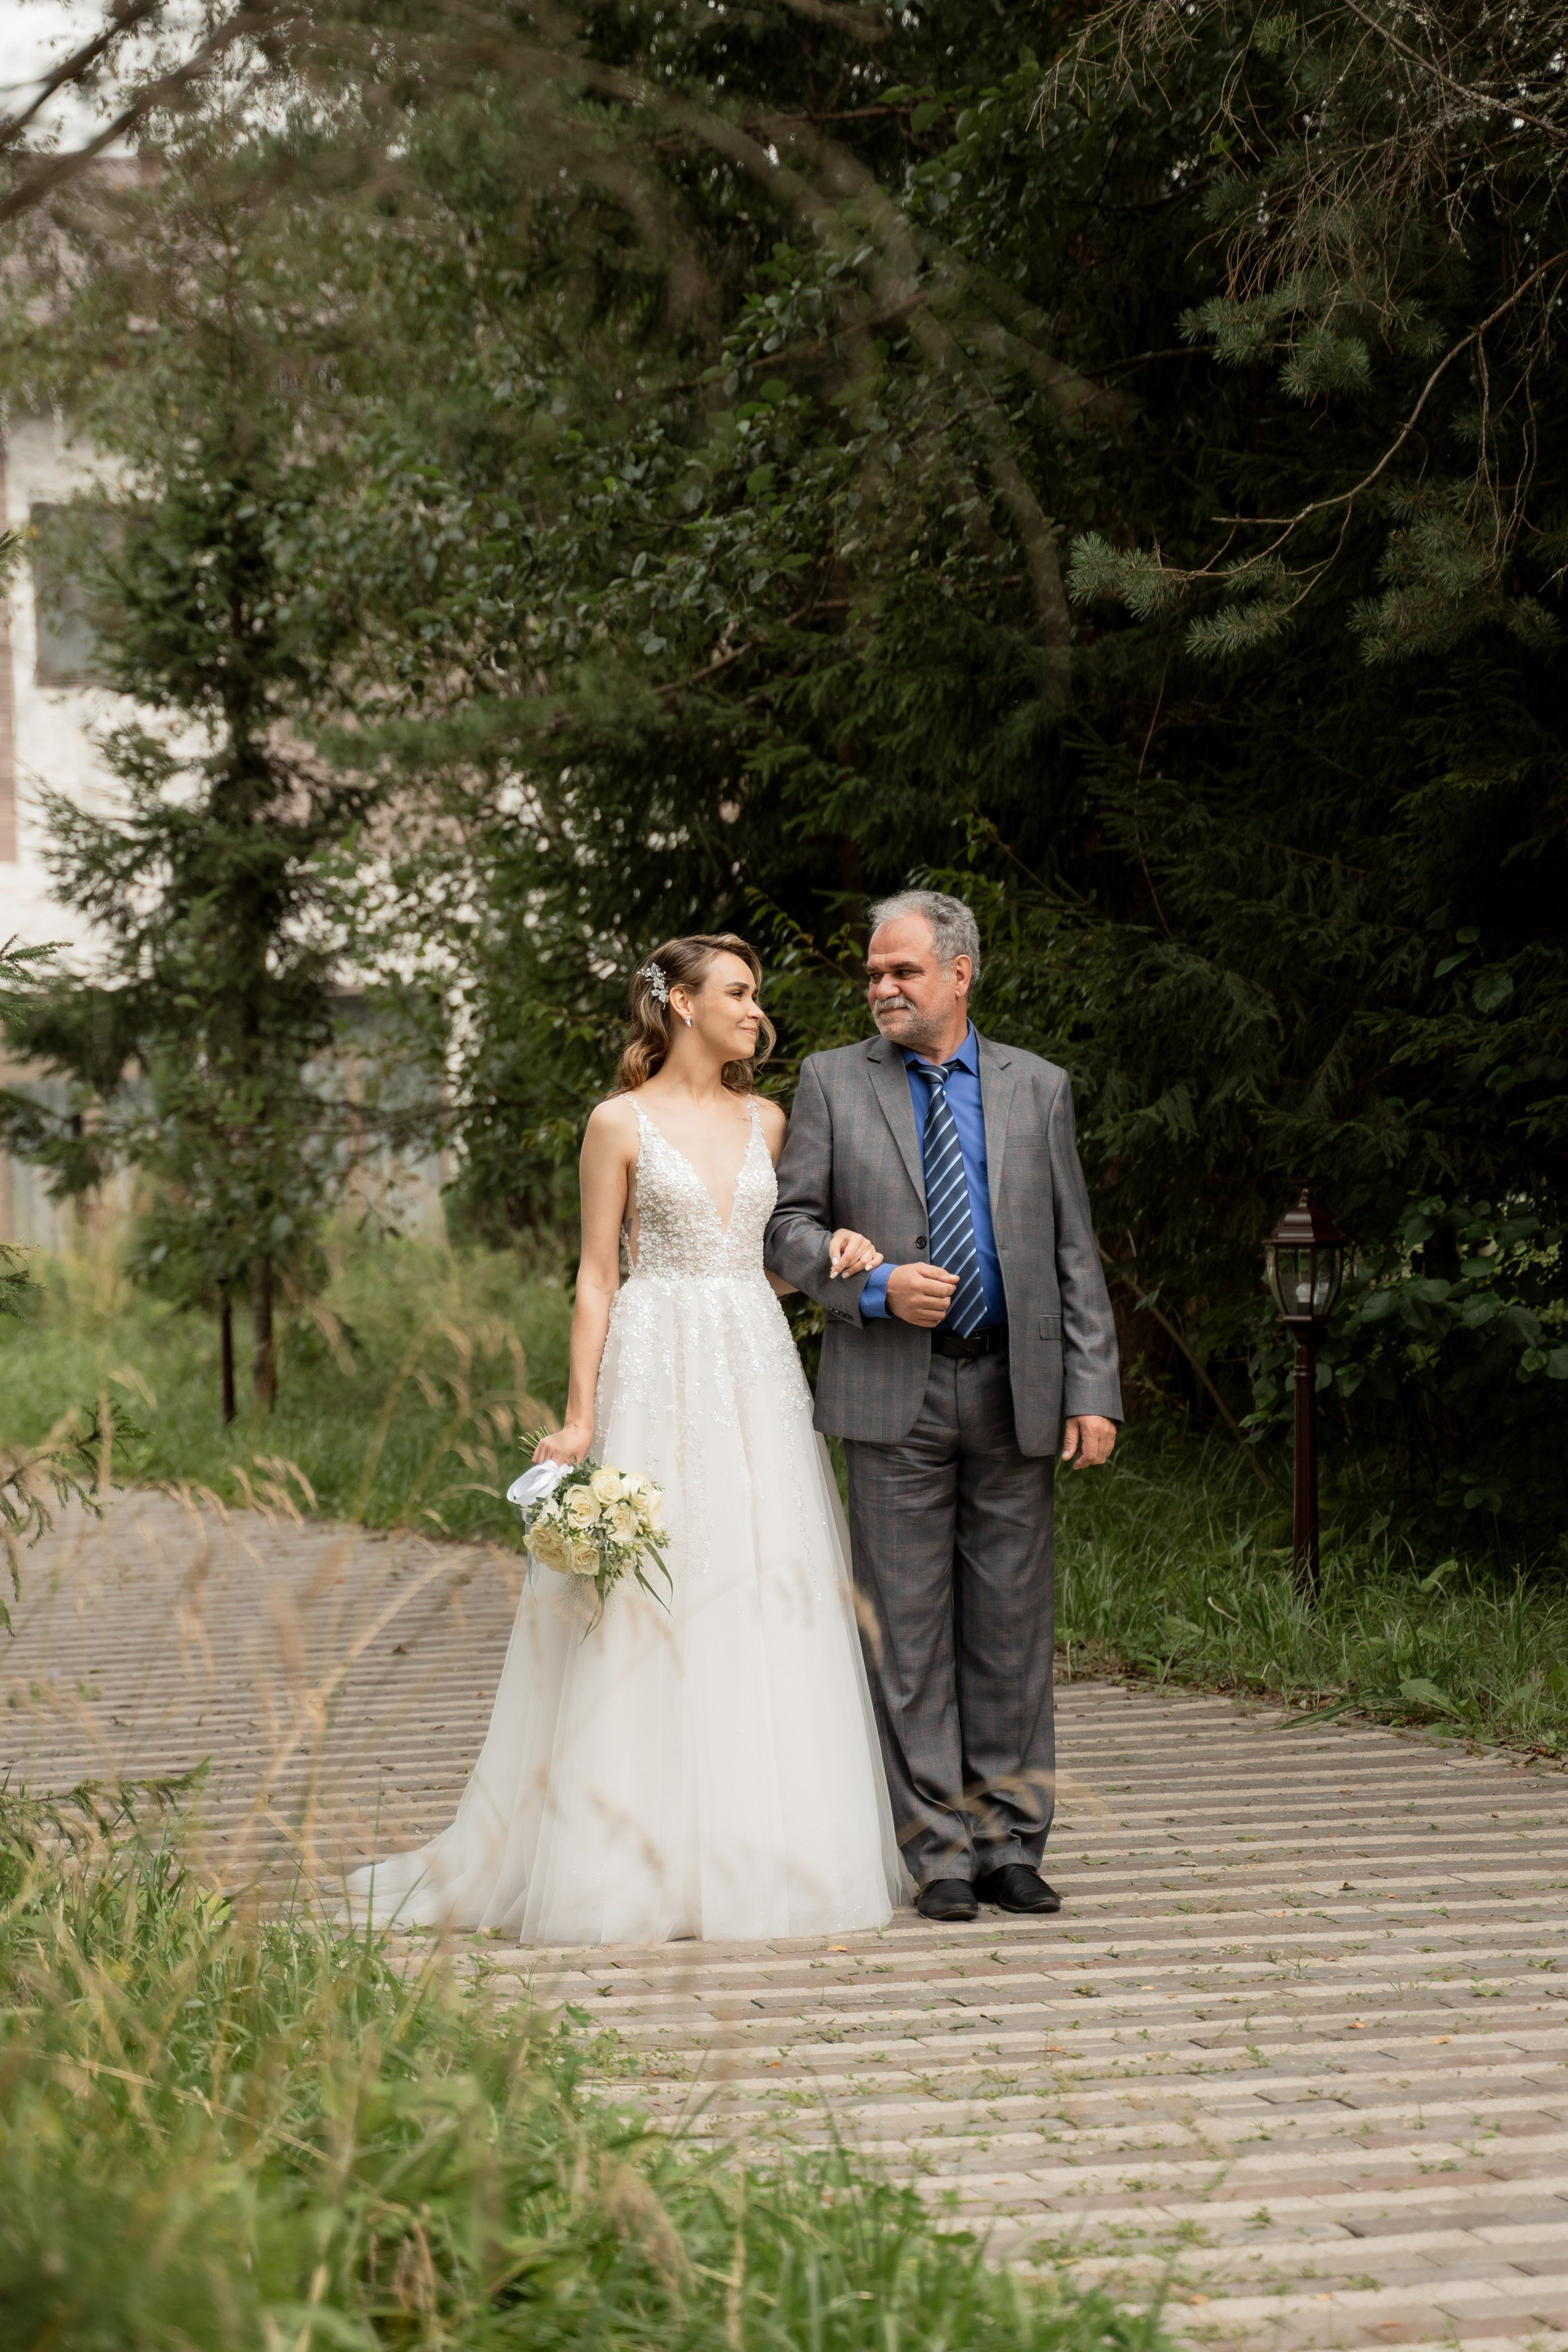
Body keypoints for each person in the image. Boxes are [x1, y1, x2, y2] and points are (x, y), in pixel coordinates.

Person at [346, 933, 902, 1946]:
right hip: (656, 1362)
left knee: (760, 1576)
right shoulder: (618, 1122)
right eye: (738, 992)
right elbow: (598, 1276)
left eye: (756, 994)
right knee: (650, 1590)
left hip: (753, 1361)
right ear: (682, 1004)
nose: (757, 1010)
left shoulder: (770, 1120)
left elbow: (771, 1263)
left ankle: (767, 1850)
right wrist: (580, 1416)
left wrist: (837, 1249)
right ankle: (624, 1859)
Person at [764, 891, 1121, 1923]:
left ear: (959, 974)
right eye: (874, 974)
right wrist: (874, 1287)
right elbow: (785, 1229)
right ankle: (940, 1855)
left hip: (1017, 1386)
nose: (882, 988)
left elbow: (1073, 1249)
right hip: (892, 1395)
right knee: (908, 1636)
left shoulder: (1037, 1087)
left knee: (1011, 1631)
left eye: (902, 972)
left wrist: (1093, 1388)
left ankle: (1011, 1843)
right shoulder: (832, 1081)